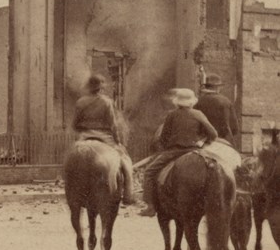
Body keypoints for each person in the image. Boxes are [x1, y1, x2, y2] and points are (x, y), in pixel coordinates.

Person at [139, 88, 218, 217]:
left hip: (174, 151)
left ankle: (151, 206)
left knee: (149, 172)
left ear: (177, 102)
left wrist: (166, 147)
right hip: (195, 151)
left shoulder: (172, 115)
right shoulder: (199, 114)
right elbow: (214, 134)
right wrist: (203, 142)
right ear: (192, 102)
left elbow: (164, 137)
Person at [72, 74, 136, 206]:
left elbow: (75, 125)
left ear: (89, 87)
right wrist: (117, 141)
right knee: (125, 160)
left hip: (84, 135)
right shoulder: (107, 102)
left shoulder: (80, 102)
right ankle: (129, 194)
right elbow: (112, 124)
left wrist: (84, 130)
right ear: (101, 88)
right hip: (104, 136)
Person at [195, 73, 237, 147]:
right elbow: (234, 128)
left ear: (206, 87)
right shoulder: (226, 101)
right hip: (222, 140)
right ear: (218, 87)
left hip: (202, 141)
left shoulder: (198, 101)